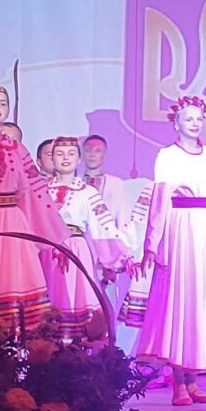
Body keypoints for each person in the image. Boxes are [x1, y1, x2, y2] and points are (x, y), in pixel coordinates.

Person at [135, 95, 206, 405]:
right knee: (180, 300)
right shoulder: (167, 155)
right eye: (188, 119)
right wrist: (152, 244)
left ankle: (194, 382)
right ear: (176, 123)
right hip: (180, 227)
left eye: (199, 118)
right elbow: (160, 201)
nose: (195, 124)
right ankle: (178, 384)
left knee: (201, 301)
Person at [0, 84, 70, 335]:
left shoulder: (17, 149)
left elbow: (36, 193)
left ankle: (14, 347)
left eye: (2, 103)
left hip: (12, 224)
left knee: (14, 281)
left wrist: (56, 239)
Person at [45, 136, 129, 340]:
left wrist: (123, 257)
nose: (65, 158)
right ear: (52, 159)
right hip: (47, 249)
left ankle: (75, 348)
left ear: (78, 159)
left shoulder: (88, 192)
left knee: (76, 295)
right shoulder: (41, 189)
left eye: (71, 154)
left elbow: (104, 226)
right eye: (59, 154)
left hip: (76, 251)